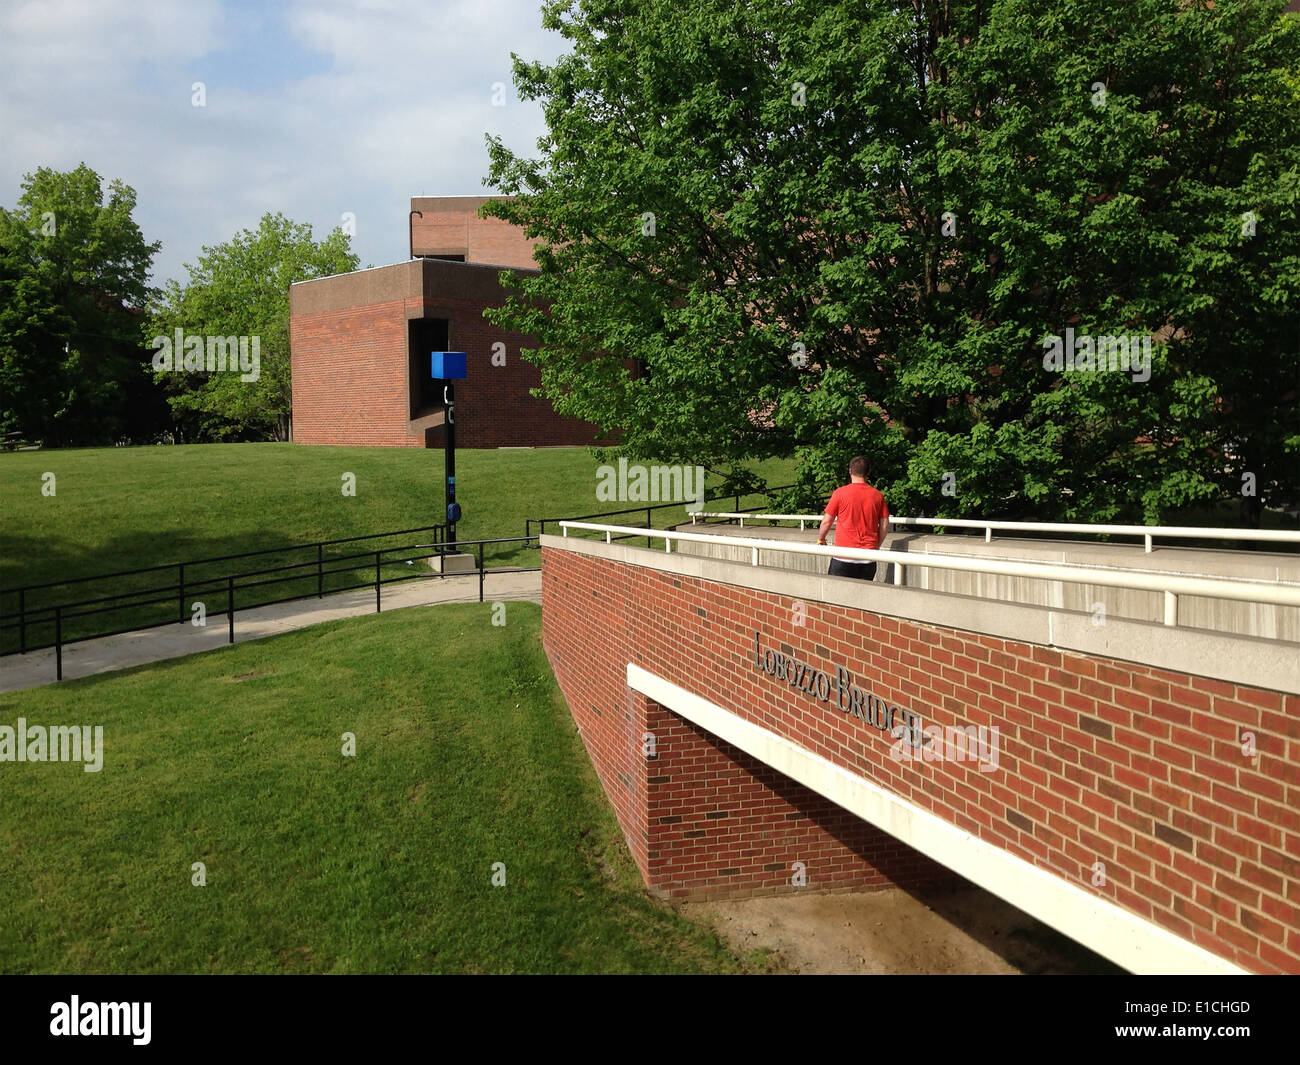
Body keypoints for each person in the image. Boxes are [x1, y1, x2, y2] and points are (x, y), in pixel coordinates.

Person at [817, 456, 890, 580]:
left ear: (850, 471)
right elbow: (884, 524)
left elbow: (826, 521)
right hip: (868, 557)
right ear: (868, 472)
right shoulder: (877, 496)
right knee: (863, 596)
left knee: (836, 595)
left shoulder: (840, 493)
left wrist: (821, 539)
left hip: (843, 556)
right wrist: (876, 545)